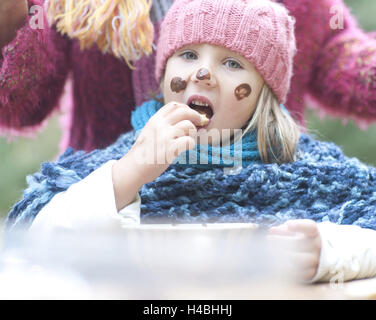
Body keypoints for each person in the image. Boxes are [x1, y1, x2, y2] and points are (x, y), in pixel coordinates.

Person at [4, 0, 376, 284]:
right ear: (162, 75)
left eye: (232, 63)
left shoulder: (305, 175)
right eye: (187, 55)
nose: (202, 73)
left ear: (266, 94)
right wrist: (127, 177)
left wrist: (327, 252)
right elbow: (39, 239)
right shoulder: (112, 172)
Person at [1, 0, 376, 152]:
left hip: (263, 218)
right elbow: (19, 104)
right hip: (109, 221)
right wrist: (12, 23)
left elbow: (340, 58)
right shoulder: (82, 7)